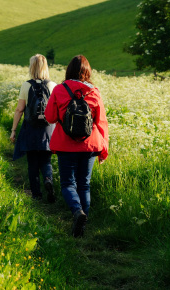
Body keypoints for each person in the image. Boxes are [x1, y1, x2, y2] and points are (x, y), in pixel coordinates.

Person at [45, 55, 109, 237]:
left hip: (65, 145)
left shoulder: (59, 89)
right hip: (90, 145)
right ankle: (83, 225)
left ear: (69, 70)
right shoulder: (94, 92)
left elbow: (49, 117)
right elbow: (101, 122)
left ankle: (76, 212)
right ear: (87, 72)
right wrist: (104, 151)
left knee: (67, 183)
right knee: (84, 185)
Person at [10, 54, 57, 202]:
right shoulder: (53, 85)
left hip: (30, 128)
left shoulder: (26, 85)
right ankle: (48, 179)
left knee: (32, 163)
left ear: (32, 67)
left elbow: (19, 110)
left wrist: (13, 131)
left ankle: (36, 195)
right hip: (48, 129)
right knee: (46, 161)